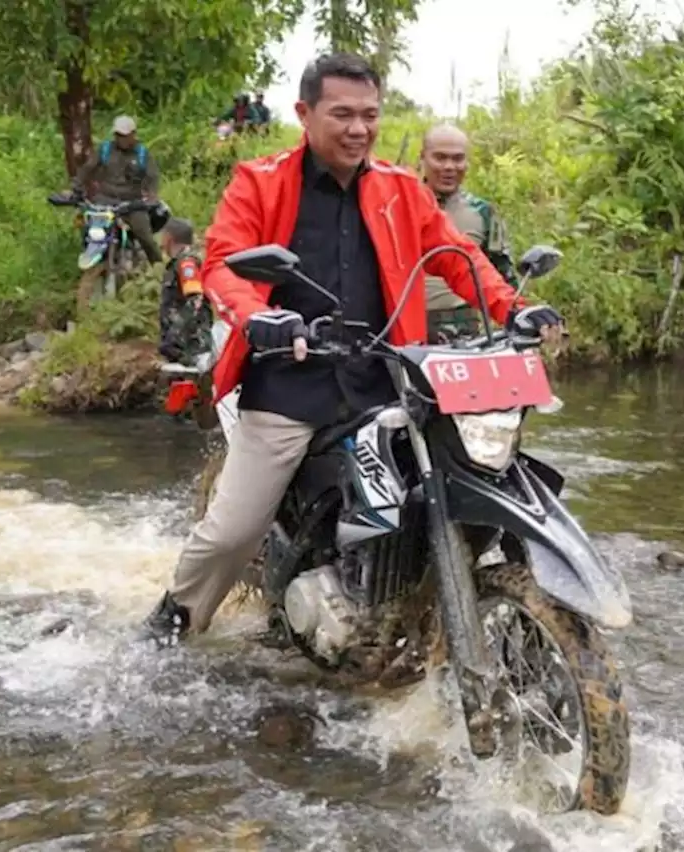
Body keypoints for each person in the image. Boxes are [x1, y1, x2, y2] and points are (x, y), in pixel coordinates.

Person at [140, 52, 565, 643]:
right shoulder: (259, 182)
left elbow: (457, 256)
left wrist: (515, 308)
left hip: (385, 379)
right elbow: (222, 265)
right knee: (234, 529)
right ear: (305, 114)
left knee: (449, 480)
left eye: (369, 115)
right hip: (288, 383)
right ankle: (175, 619)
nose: (358, 129)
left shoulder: (401, 190)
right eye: (342, 114)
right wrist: (260, 318)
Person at [417, 123, 517, 342]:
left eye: (457, 159)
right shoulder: (398, 206)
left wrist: (518, 316)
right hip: (408, 325)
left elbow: (503, 273)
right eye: (440, 158)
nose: (449, 166)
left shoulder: (481, 212)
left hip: (464, 329)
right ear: (422, 158)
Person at [71, 115, 163, 264]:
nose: (122, 139)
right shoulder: (105, 149)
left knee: (144, 235)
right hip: (104, 200)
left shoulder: (142, 154)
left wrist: (152, 196)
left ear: (133, 134)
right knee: (87, 227)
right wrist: (76, 186)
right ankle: (93, 257)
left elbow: (152, 176)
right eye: (118, 135)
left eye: (125, 136)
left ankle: (160, 270)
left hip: (131, 203)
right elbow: (88, 168)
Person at [156, 217, 210, 364]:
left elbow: (195, 300)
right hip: (180, 347)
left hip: (191, 346)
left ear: (168, 237)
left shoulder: (187, 264)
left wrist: (176, 333)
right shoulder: (177, 263)